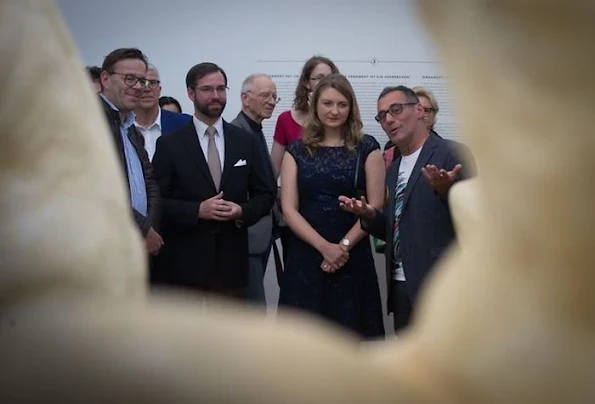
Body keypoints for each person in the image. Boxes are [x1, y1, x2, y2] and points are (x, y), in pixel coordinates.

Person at [339, 85, 473, 333]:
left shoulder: (451, 153)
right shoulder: (392, 168)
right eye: (382, 116)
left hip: (440, 286)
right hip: (400, 287)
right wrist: (370, 216)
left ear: (419, 110)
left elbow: (478, 218)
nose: (389, 119)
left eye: (396, 110)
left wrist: (447, 191)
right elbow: (398, 228)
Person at [151, 62, 275, 300]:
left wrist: (241, 210)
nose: (216, 96)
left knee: (233, 335)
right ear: (191, 93)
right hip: (185, 265)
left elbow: (265, 195)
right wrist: (197, 210)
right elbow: (158, 201)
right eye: (207, 89)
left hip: (232, 265)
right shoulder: (170, 144)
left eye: (221, 88)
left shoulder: (244, 141)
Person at [279, 74, 385, 339]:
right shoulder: (295, 150)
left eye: (342, 104)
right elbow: (289, 209)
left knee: (352, 338)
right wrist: (325, 248)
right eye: (327, 103)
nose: (334, 111)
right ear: (315, 105)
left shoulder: (368, 147)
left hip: (352, 257)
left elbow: (375, 205)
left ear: (351, 107)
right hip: (306, 255)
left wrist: (343, 247)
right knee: (303, 341)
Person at [98, 48, 163, 257]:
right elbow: (99, 188)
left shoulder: (131, 128)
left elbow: (149, 181)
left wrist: (149, 226)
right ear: (106, 79)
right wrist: (144, 229)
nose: (138, 87)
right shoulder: (90, 122)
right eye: (129, 79)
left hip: (136, 247)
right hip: (104, 245)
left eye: (142, 81)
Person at [230, 74, 279, 304]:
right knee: (252, 307)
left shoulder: (256, 131)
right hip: (245, 236)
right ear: (245, 98)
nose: (271, 101)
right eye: (265, 95)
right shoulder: (234, 134)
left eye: (274, 97)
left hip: (262, 234)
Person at [270, 56, 339, 178]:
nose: (325, 83)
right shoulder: (286, 119)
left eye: (330, 78)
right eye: (319, 78)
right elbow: (274, 169)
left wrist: (319, 111)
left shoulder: (337, 117)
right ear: (307, 83)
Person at [134, 65, 192, 160]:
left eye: (152, 83)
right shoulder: (120, 127)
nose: (147, 89)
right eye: (142, 82)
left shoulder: (185, 124)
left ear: (159, 89)